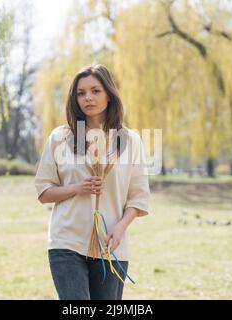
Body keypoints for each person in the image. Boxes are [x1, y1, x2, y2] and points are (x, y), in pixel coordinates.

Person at [35, 63, 150, 300]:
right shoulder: (60, 137)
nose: (88, 98)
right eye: (81, 93)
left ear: (109, 94)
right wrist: (78, 188)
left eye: (95, 91)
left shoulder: (131, 141)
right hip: (66, 242)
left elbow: (138, 198)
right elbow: (44, 191)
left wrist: (120, 228)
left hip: (111, 247)